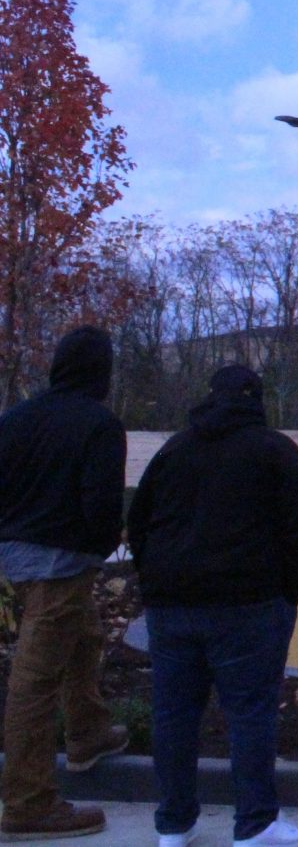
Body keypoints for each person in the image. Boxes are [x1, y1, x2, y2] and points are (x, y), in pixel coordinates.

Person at [129, 364, 298, 847]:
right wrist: (287, 593)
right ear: (256, 399)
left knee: (173, 715)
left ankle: (174, 823)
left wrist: (154, 581)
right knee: (250, 714)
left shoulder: (174, 449)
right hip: (248, 604)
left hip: (171, 605)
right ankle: (255, 823)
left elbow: (139, 521)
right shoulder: (276, 451)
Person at [0, 327, 128, 842]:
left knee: (83, 636)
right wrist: (100, 547)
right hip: (64, 560)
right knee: (34, 682)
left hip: (16, 556)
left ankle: (88, 732)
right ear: (102, 371)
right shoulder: (99, 424)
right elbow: (102, 503)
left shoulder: (16, 419)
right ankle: (28, 803)